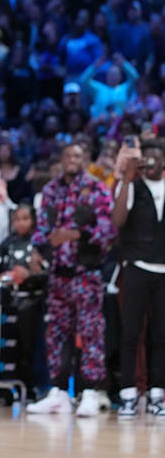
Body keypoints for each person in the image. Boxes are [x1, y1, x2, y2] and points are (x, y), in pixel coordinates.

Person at [27, 143, 116, 417]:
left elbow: (107, 229)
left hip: (86, 271)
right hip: (58, 274)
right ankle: (59, 393)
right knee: (56, 334)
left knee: (90, 332)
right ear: (62, 159)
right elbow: (42, 229)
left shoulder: (97, 188)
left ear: (85, 159)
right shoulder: (51, 191)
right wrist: (36, 250)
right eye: (68, 155)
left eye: (77, 156)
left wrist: (77, 235)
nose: (72, 160)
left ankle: (90, 390)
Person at [112, 138, 165, 418]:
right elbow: (117, 220)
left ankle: (158, 394)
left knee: (161, 335)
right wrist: (126, 179)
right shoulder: (132, 186)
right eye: (148, 155)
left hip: (163, 271)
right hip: (136, 267)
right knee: (131, 333)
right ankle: (128, 394)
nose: (153, 160)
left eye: (158, 155)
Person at [0, 204, 47, 398]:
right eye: (17, 219)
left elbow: (48, 274)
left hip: (32, 303)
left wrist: (29, 275)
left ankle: (31, 388)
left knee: (28, 348)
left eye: (25, 218)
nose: (20, 223)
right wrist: (5, 276)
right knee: (4, 348)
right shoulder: (7, 243)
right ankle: (4, 390)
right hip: (7, 303)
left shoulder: (39, 243)